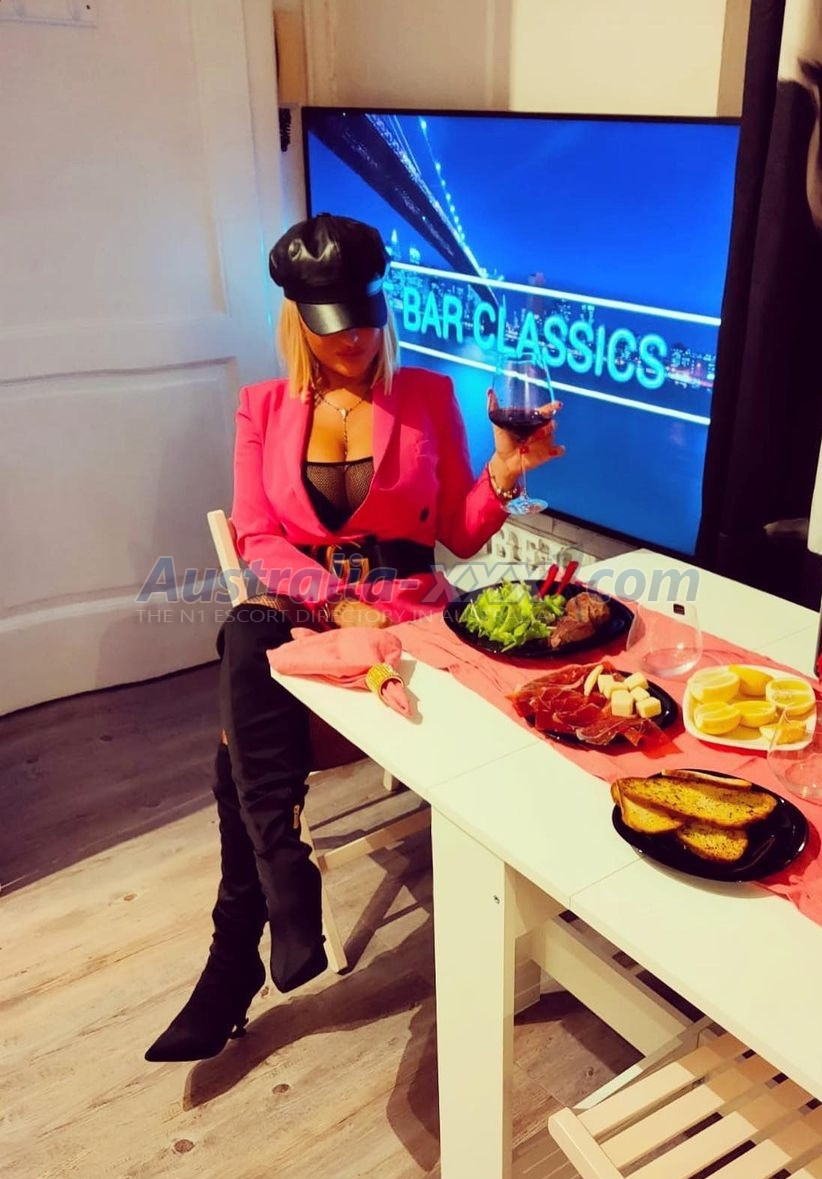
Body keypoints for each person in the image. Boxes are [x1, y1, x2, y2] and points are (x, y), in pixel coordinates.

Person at [144, 213, 563, 1062]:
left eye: (366, 318)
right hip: (312, 628)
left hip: (410, 632)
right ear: (298, 320)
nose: (356, 339)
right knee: (249, 629)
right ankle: (279, 882)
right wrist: (334, 602)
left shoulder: (428, 396)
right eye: (334, 325)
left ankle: (246, 938)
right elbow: (259, 538)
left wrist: (504, 475)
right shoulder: (262, 407)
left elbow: (457, 533)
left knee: (238, 743)